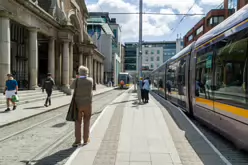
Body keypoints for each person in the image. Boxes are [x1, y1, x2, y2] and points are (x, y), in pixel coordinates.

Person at [70, 65, 93, 147]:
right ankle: (86, 140)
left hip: (78, 105)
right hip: (88, 104)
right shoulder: (90, 80)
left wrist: (76, 78)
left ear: (79, 72)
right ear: (87, 72)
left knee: (78, 122)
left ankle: (77, 141)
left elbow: (71, 87)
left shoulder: (76, 80)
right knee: (87, 121)